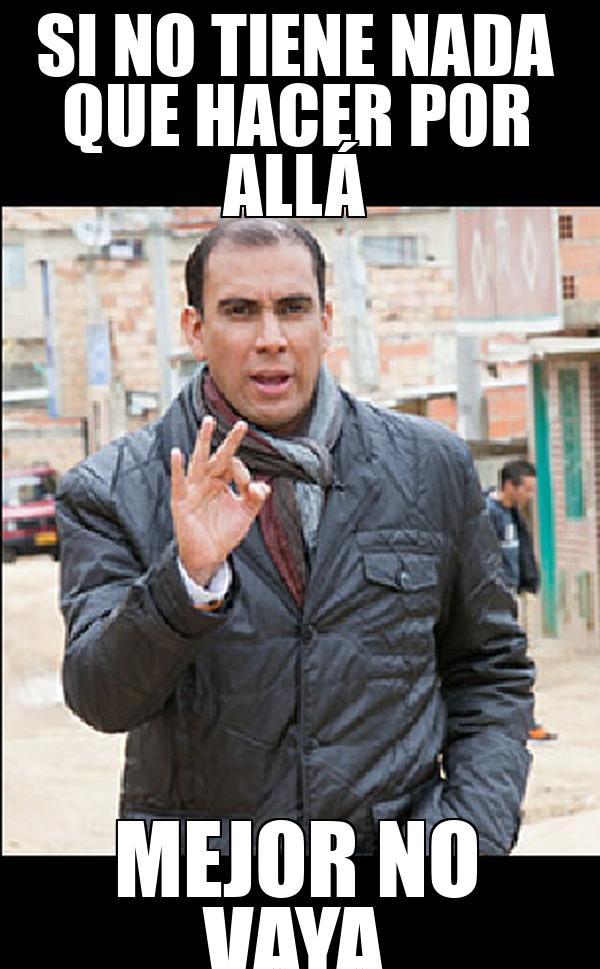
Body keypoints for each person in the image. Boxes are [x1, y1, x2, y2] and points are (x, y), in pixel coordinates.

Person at [56, 218, 534, 856]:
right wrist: (186, 582)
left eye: (292, 308)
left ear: (326, 321)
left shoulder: (429, 467)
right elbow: (101, 699)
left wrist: (471, 834)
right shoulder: (113, 489)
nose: (271, 339)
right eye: (239, 311)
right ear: (195, 329)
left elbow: (490, 671)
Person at [486, 460, 557, 741]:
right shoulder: (486, 514)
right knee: (508, 661)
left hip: (512, 597)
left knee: (515, 659)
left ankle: (521, 719)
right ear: (509, 486)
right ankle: (520, 720)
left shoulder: (513, 513)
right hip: (493, 603)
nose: (530, 496)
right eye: (526, 489)